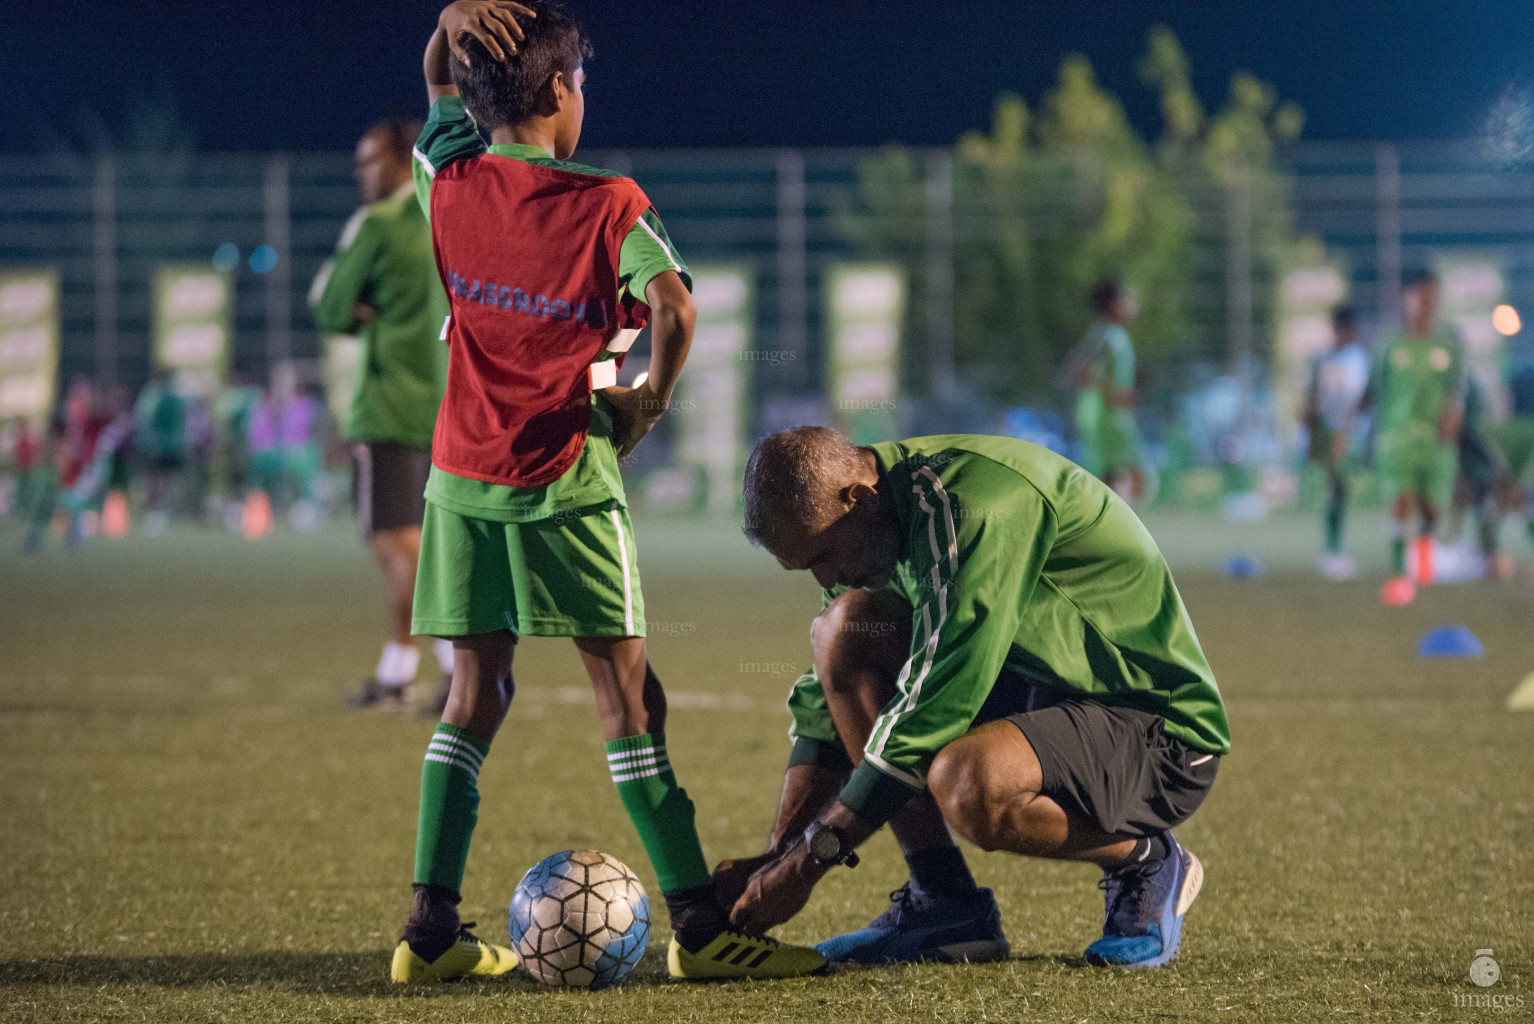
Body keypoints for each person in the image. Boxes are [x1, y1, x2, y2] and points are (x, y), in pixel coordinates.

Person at [389, 0, 824, 984]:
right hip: (566, 484)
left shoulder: (447, 182)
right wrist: (648, 405)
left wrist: (452, 17)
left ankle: (427, 935)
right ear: (556, 93)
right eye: (581, 82)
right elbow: (673, 302)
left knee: (472, 693)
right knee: (626, 698)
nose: (584, 95)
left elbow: (435, 82)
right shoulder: (608, 202)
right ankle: (700, 930)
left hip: (460, 482)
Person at [719, 427, 1228, 969]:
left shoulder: (971, 508)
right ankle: (944, 904)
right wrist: (780, 852)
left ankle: (1146, 860)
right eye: (808, 567)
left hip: (1157, 732)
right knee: (843, 630)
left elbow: (931, 712)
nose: (827, 575)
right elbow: (828, 705)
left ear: (859, 498)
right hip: (1043, 702)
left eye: (825, 553)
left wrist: (806, 864)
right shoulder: (878, 524)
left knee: (968, 782)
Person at [311, 119, 453, 708]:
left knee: (395, 544)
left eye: (369, 161)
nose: (361, 174)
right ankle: (403, 670)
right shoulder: (448, 217)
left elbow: (332, 307)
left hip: (388, 405)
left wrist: (364, 309)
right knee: (414, 542)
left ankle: (446, 666)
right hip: (444, 404)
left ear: (401, 161)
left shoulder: (379, 225)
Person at [1364, 269, 1464, 605]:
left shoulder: (1450, 342)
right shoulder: (1388, 343)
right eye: (1420, 296)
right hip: (1395, 437)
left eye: (1431, 297)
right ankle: (1398, 575)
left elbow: (1457, 390)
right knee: (1401, 502)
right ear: (1405, 299)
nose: (1426, 304)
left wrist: (1454, 413)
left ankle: (1423, 570)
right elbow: (1373, 390)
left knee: (1432, 510)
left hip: (1434, 442)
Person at [1303, 306, 1369, 580]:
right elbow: (1313, 399)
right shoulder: (1323, 360)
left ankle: (1334, 550)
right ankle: (1332, 551)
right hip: (1330, 433)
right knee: (1335, 490)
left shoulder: (1359, 359)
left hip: (1348, 433)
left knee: (1339, 491)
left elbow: (1361, 400)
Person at [1072, 279, 1145, 500]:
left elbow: (1077, 369)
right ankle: (1119, 524)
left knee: (1109, 474)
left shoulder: (1100, 332)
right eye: (1126, 297)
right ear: (1115, 304)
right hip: (1111, 416)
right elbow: (1084, 372)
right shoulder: (1113, 337)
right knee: (1133, 474)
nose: (1132, 302)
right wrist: (1114, 395)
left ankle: (1109, 521)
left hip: (1097, 414)